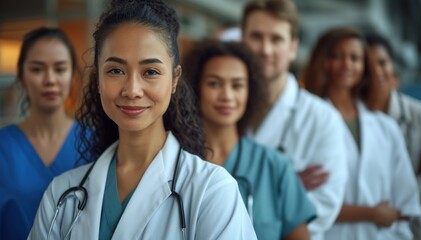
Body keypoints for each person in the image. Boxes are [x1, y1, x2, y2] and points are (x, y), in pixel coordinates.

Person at [28, 0, 256, 239]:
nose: (132, 90)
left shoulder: (212, 190)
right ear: (97, 78)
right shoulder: (62, 194)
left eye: (150, 72)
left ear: (175, 79)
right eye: (116, 70)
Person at [183, 39, 316, 240]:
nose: (227, 95)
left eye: (237, 85)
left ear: (250, 92)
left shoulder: (275, 167)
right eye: (214, 83)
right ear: (195, 88)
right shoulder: (178, 161)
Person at [240, 1, 348, 239]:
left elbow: (325, 205)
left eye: (276, 39)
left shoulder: (322, 118)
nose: (265, 49)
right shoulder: (221, 108)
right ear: (242, 41)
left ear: (292, 47)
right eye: (256, 37)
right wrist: (285, 188)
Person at [301, 27, 421, 239]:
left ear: (364, 67)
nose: (347, 64)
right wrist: (372, 213)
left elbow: (405, 204)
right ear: (322, 61)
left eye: (355, 58)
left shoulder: (386, 128)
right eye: (337, 56)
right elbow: (305, 203)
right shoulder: (306, 121)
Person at [0, 27, 88, 240]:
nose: (50, 79)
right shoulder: (3, 146)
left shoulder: (95, 143)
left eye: (60, 69)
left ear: (73, 76)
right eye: (37, 69)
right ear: (21, 76)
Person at [365, 32, 421, 240]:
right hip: (364, 224)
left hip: (414, 224)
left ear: (393, 67)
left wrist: (392, 199)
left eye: (382, 63)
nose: (376, 72)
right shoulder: (349, 117)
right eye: (367, 65)